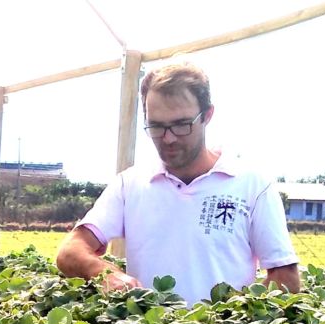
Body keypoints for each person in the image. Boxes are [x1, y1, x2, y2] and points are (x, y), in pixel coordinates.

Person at [55, 62, 299, 305]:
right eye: (157, 126)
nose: (168, 138)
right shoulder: (130, 185)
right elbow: (70, 252)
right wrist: (105, 274)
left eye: (182, 124)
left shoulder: (251, 185)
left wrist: (225, 322)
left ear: (207, 115)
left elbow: (285, 278)